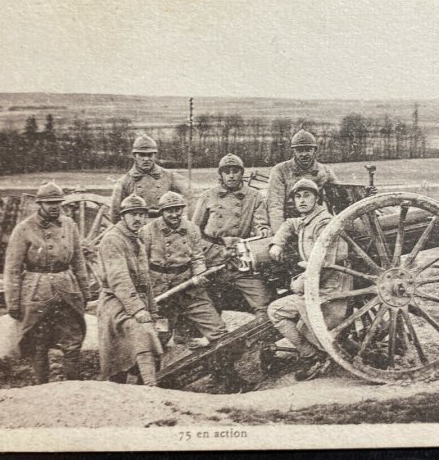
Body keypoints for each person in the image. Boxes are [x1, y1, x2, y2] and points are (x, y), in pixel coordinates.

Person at [4, 182, 90, 384]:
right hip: (36, 292)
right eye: (49, 203)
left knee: (73, 341)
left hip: (66, 290)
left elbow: (78, 260)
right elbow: (12, 268)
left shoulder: (69, 225)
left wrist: (85, 292)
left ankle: (73, 385)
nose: (54, 207)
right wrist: (13, 303)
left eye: (57, 203)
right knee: (38, 342)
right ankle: (42, 387)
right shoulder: (24, 228)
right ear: (39, 204)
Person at [266, 178, 351, 381]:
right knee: (280, 311)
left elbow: (327, 264)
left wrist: (300, 283)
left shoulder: (324, 223)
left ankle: (314, 357)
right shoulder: (307, 220)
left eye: (307, 195)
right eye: (298, 196)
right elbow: (288, 224)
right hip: (317, 287)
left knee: (276, 311)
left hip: (330, 291)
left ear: (317, 198)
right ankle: (315, 355)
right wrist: (276, 243)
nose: (302, 201)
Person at [140, 191, 228, 349]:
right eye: (169, 211)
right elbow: (142, 263)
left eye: (177, 210)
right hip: (160, 291)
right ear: (162, 212)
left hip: (188, 287)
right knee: (159, 336)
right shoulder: (148, 231)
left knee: (218, 330)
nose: (174, 215)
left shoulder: (192, 228)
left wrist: (200, 274)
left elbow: (198, 257)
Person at [191, 153, 273, 320]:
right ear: (220, 175)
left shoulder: (254, 196)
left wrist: (263, 231)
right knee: (205, 301)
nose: (231, 175)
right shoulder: (208, 196)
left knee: (264, 302)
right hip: (212, 259)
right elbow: (193, 232)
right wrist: (214, 251)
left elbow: (260, 224)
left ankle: (257, 342)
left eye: (235, 171)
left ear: (242, 173)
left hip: (240, 257)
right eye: (226, 171)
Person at [97, 194, 162, 386]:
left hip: (134, 300)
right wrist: (138, 309)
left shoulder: (136, 240)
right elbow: (119, 279)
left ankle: (142, 384)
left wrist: (152, 309)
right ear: (122, 217)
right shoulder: (113, 240)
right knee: (141, 331)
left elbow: (145, 279)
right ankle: (151, 386)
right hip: (115, 302)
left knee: (152, 333)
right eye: (133, 215)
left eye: (142, 215)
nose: (138, 219)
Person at [266, 129, 339, 231]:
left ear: (314, 150)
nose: (304, 154)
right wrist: (280, 232)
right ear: (293, 151)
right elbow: (275, 206)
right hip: (289, 223)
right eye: (300, 150)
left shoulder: (325, 171)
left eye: (308, 149)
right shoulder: (280, 170)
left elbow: (339, 198)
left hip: (316, 222)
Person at [109, 134, 190, 224]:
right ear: (134, 156)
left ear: (154, 155)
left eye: (150, 155)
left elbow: (192, 193)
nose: (146, 159)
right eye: (142, 155)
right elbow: (115, 214)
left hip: (165, 226)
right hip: (139, 228)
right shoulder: (124, 181)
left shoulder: (169, 176)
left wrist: (184, 217)